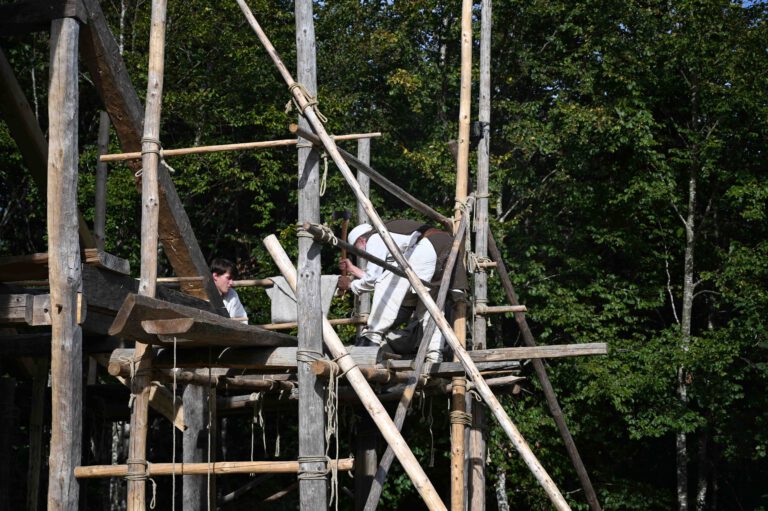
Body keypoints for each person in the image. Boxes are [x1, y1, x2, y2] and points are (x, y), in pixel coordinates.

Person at [338, 220, 465, 362]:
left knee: (388, 285)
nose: (360, 254)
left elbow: (376, 279)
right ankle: (434, 355)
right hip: (442, 247)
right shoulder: (392, 238)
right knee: (429, 308)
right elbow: (381, 275)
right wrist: (352, 270)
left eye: (357, 249)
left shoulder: (374, 237)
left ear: (361, 240)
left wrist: (350, 285)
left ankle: (371, 337)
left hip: (429, 247)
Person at [210, 257, 248, 324]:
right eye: (228, 278)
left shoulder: (232, 295)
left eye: (232, 279)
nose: (231, 283)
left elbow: (243, 321)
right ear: (215, 276)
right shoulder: (202, 293)